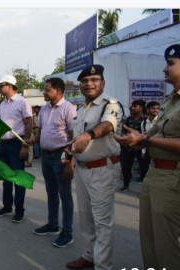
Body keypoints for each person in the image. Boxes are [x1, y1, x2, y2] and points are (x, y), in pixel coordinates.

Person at [114, 44, 180, 270]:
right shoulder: (170, 101)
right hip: (155, 173)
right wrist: (136, 138)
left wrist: (146, 141)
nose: (164, 68)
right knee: (149, 237)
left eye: (171, 63)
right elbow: (152, 134)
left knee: (168, 244)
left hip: (174, 177)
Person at [66, 65, 123, 270]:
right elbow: (75, 141)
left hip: (102, 170)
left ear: (103, 83)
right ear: (80, 85)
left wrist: (89, 134)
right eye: (85, 81)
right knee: (86, 218)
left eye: (95, 80)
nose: (89, 84)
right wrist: (70, 161)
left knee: (102, 222)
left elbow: (108, 125)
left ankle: (102, 265)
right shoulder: (81, 110)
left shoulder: (111, 105)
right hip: (82, 169)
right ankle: (89, 256)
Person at [32, 77, 76, 248]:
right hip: (46, 156)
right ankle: (52, 225)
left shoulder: (68, 109)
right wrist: (33, 141)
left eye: (47, 89)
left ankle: (67, 233)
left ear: (59, 91)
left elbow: (73, 137)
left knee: (65, 196)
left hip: (61, 157)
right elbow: (41, 132)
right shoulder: (44, 109)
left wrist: (70, 163)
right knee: (51, 192)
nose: (44, 92)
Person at [0, 75, 32, 223]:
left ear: (9, 85)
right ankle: (7, 206)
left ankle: (19, 210)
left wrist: (25, 145)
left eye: (1, 85)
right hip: (4, 144)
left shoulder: (22, 102)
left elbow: (28, 123)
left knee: (18, 178)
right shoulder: (2, 104)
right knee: (6, 178)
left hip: (17, 144)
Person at [118, 99, 147, 192]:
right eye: (132, 106)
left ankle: (145, 190)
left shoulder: (146, 120)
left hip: (141, 148)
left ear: (141, 108)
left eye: (135, 106)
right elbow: (123, 132)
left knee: (144, 168)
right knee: (126, 167)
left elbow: (145, 134)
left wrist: (127, 128)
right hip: (127, 148)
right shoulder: (128, 119)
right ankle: (126, 186)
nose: (133, 108)